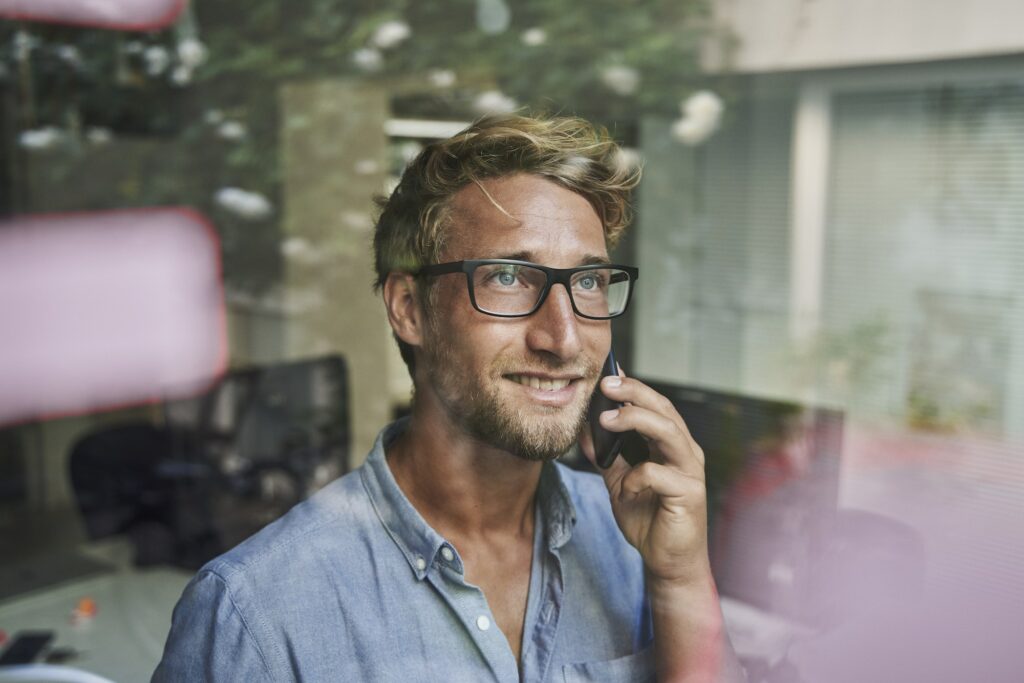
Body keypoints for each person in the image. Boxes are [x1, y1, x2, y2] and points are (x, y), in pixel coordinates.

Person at [153, 114, 745, 682]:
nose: (564, 339)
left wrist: (681, 579)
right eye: (509, 278)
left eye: (587, 281)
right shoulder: (252, 615)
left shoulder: (636, 537)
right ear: (410, 308)